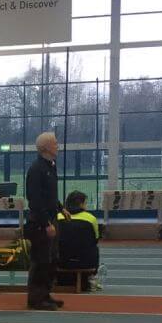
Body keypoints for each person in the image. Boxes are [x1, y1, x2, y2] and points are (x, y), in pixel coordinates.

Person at [25, 132, 66, 310]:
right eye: (55, 143)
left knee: (52, 260)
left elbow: (49, 195)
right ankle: (35, 299)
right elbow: (35, 199)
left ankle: (46, 293)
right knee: (40, 261)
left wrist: (60, 207)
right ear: (46, 147)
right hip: (40, 223)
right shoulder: (36, 169)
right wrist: (46, 224)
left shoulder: (51, 165)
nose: (58, 145)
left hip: (52, 218)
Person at [57, 190, 100, 288]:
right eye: (85, 203)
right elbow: (96, 240)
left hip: (61, 261)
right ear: (81, 204)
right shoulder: (91, 218)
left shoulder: (58, 217)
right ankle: (90, 279)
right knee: (95, 248)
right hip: (85, 262)